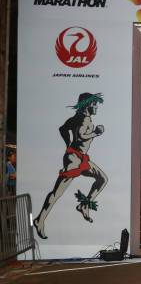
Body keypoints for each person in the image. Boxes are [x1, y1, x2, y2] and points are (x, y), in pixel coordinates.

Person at [34, 93, 108, 239]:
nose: (96, 107)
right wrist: (96, 133)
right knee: (57, 192)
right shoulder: (85, 119)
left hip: (79, 157)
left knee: (102, 179)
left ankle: (84, 205)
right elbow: (81, 135)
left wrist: (68, 143)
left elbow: (62, 129)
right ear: (87, 105)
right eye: (94, 104)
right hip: (74, 160)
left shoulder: (76, 118)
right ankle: (39, 220)